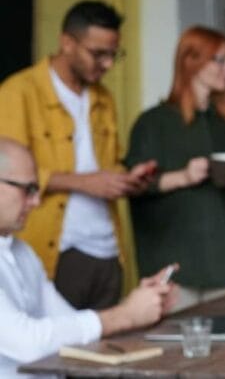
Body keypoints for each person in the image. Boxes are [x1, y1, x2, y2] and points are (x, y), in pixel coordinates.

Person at [0, 0, 156, 310]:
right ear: (67, 43)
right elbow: (7, 175)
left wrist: (126, 181)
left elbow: (106, 166)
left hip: (109, 251)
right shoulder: (18, 92)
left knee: (109, 349)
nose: (108, 64)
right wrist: (84, 183)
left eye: (114, 54)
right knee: (58, 352)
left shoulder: (104, 98)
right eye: (99, 54)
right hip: (56, 252)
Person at [0, 137, 174, 378]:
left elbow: (70, 321)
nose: (37, 201)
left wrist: (136, 306)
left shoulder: (22, 252)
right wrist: (125, 316)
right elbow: (28, 343)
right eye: (28, 189)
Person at [125, 26, 225, 311]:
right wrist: (184, 176)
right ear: (190, 61)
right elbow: (134, 185)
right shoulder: (153, 123)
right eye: (219, 60)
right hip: (178, 272)